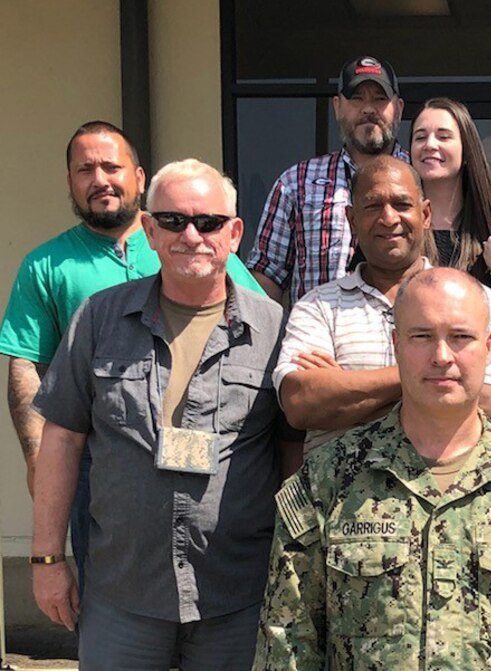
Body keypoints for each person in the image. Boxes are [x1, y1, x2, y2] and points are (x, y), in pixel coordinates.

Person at [30, 159, 303, 669]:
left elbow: (290, 449)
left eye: (209, 222)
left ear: (235, 232)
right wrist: (48, 558)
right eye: (173, 221)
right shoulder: (98, 318)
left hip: (236, 593)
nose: (192, 235)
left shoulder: (275, 329)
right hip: (122, 590)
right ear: (150, 231)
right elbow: (61, 439)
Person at [254, 267, 491, 670]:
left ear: (488, 346)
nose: (441, 356)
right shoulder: (330, 478)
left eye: (460, 337)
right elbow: (287, 645)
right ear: (396, 344)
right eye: (422, 336)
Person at [0, 121, 262, 590]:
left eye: (111, 167)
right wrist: (39, 456)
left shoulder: (197, 243)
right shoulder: (45, 265)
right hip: (99, 465)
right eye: (85, 170)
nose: (100, 179)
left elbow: (259, 332)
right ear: (70, 183)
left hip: (210, 461)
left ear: (139, 178)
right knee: (108, 597)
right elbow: (27, 365)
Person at [274, 156, 491, 451]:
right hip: (340, 494)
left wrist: (347, 390)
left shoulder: (476, 300)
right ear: (352, 219)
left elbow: (489, 407)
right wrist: (436, 380)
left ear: (425, 214)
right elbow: (302, 404)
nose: (388, 218)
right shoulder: (317, 308)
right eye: (373, 206)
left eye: (401, 204)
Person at [246, 56, 411, 303]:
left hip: (403, 337)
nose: (368, 109)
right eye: (357, 98)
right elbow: (266, 276)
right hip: (319, 338)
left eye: (379, 98)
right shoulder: (296, 183)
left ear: (398, 108)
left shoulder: (420, 179)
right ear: (337, 106)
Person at [410, 97, 491, 354]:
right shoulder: (397, 231)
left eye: (443, 136)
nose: (430, 145)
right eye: (420, 137)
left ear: (467, 150)